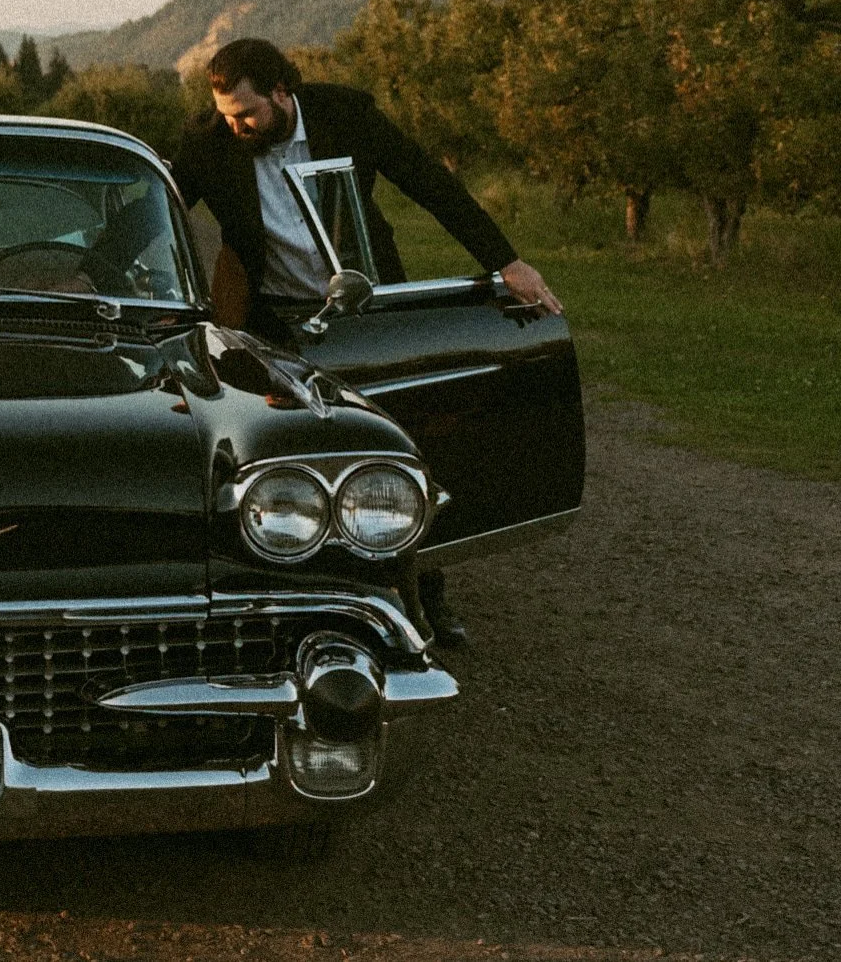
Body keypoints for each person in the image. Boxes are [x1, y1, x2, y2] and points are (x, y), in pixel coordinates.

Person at [169, 36, 562, 647]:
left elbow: (430, 185)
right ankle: (306, 597)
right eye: (227, 117)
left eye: (247, 114)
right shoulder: (210, 145)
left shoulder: (346, 114)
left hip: (365, 312)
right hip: (274, 325)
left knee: (403, 444)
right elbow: (159, 212)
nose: (237, 126)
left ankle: (426, 591)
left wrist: (505, 261)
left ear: (281, 92)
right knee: (287, 457)